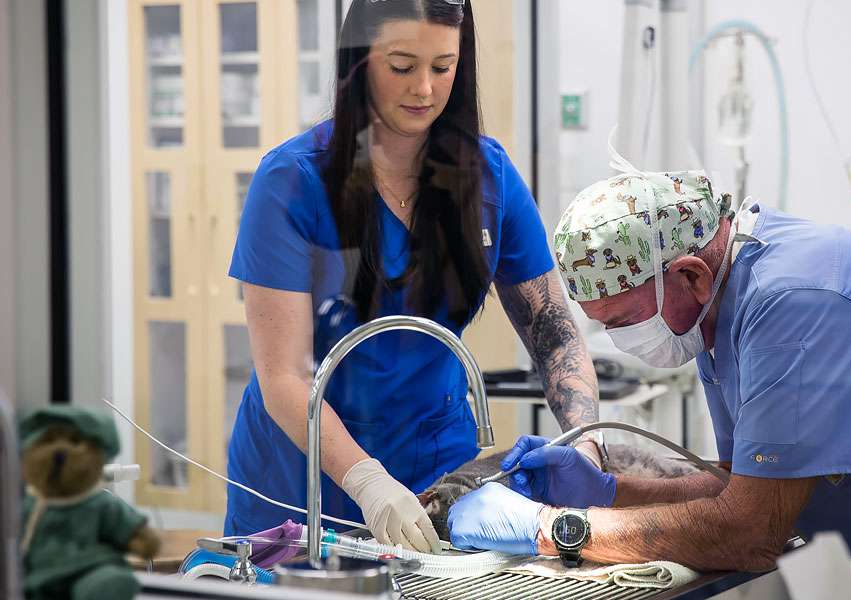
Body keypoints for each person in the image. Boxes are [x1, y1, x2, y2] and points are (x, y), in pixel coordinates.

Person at [448, 149, 851, 592]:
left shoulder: (791, 301)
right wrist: (607, 491)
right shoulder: (721, 305)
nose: (618, 340)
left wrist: (550, 530)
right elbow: (741, 484)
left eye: (624, 319)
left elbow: (751, 532)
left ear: (689, 276)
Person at [225, 0, 603, 553]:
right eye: (402, 66)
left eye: (443, 67)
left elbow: (553, 331)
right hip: (302, 482)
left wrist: (585, 443)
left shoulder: (488, 177)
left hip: (437, 471)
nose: (424, 88)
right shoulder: (293, 182)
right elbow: (284, 376)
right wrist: (367, 482)